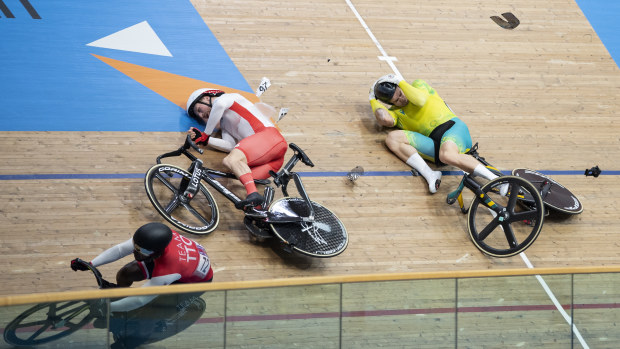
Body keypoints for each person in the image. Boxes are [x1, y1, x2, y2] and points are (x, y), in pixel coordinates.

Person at [369, 74, 505, 194]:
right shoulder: (396, 113)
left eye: (400, 93)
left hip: (452, 128)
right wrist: (372, 99)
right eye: (397, 100)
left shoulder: (418, 85)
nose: (402, 98)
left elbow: (420, 100)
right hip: (434, 145)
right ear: (389, 103)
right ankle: (431, 175)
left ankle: (498, 180)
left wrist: (400, 82)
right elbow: (384, 119)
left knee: (446, 154)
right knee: (392, 138)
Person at [70, 222, 213, 313]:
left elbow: (140, 299)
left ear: (156, 253)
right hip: (177, 260)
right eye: (136, 247)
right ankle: (121, 297)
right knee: (126, 273)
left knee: (152, 310)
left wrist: (108, 308)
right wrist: (90, 264)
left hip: (193, 281)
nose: (135, 252)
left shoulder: (169, 270)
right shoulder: (152, 239)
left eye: (141, 251)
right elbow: (121, 249)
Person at [186, 88, 288, 208]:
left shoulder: (229, 98)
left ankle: (253, 194)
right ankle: (261, 213)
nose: (201, 115)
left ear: (206, 98)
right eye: (198, 115)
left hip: (269, 137)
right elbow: (230, 145)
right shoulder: (225, 125)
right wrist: (207, 140)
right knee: (235, 182)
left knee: (230, 160)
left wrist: (206, 134)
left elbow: (220, 105)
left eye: (199, 110)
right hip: (273, 160)